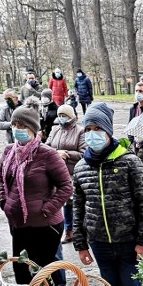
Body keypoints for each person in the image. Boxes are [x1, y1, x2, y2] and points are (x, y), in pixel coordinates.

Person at [72, 103, 143, 286]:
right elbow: (78, 208)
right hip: (99, 242)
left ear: (107, 130)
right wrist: (81, 245)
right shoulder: (81, 167)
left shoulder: (129, 161)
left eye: (97, 129)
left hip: (128, 241)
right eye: (88, 129)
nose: (92, 134)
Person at [0, 105, 72, 284]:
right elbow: (1, 179)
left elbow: (66, 187)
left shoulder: (48, 154)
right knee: (21, 271)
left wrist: (46, 210)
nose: (17, 129)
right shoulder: (9, 152)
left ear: (33, 129)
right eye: (14, 125)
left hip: (44, 225)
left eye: (22, 126)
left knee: (44, 273)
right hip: (19, 223)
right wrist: (4, 203)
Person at [46, 104, 87, 245]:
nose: (61, 118)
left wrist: (67, 154)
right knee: (65, 204)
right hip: (58, 173)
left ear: (71, 116)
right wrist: (55, 153)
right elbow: (47, 146)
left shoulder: (80, 131)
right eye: (60, 115)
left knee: (77, 203)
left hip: (74, 173)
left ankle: (80, 231)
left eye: (64, 115)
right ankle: (68, 231)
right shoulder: (55, 129)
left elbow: (84, 153)